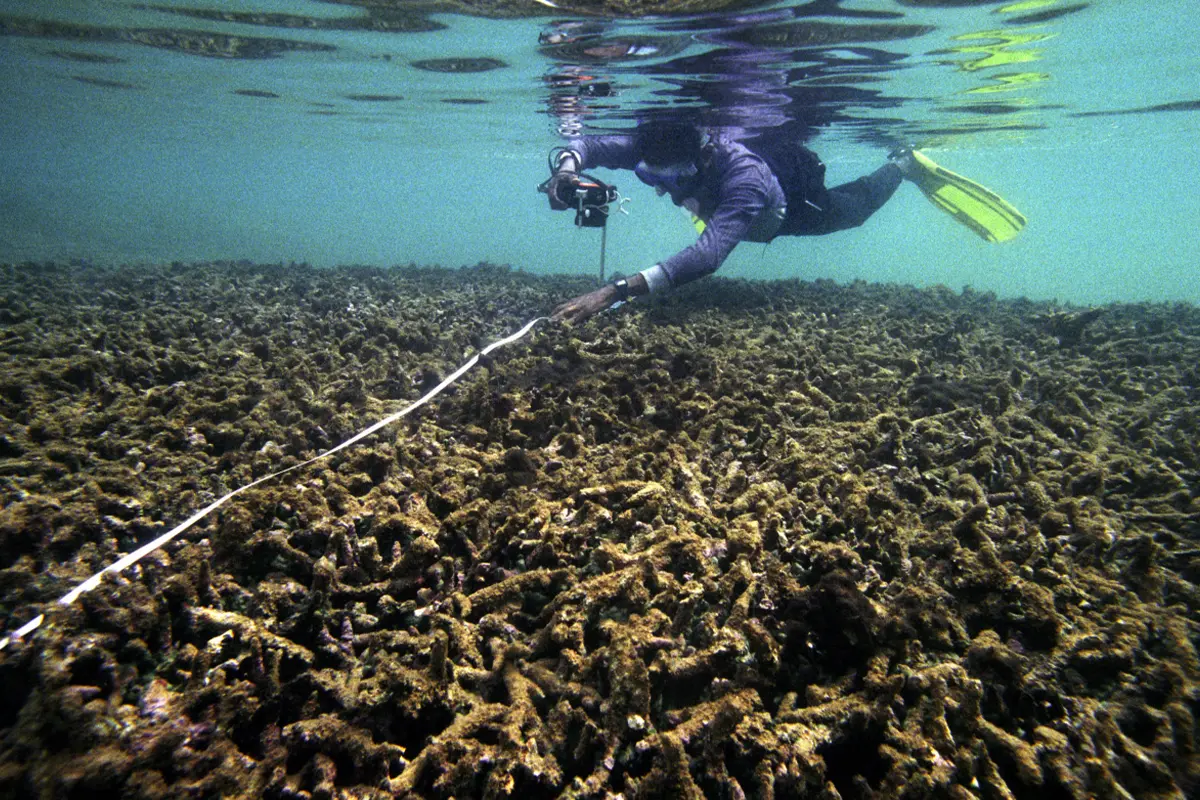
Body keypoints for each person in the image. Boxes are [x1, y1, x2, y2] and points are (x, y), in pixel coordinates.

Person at [546, 121, 918, 323]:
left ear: (704, 158)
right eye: (649, 177)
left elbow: (708, 257)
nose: (662, 190)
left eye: (672, 180)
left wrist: (614, 292)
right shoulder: (654, 145)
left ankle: (902, 164)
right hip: (731, 198)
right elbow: (588, 146)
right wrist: (566, 172)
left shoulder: (745, 179)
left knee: (852, 211)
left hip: (789, 205)